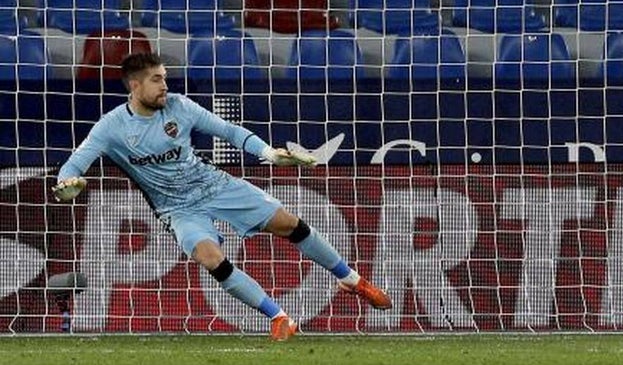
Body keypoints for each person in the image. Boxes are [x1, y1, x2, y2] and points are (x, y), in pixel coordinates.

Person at [52, 52, 391, 340]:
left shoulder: (180, 106)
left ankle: (352, 280)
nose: (165, 85)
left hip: (215, 185)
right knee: (210, 258)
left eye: (165, 78)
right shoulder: (111, 127)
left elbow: (229, 131)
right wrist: (67, 184)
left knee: (288, 223)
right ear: (135, 85)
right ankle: (279, 318)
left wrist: (269, 154)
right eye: (156, 80)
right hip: (177, 208)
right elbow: (74, 164)